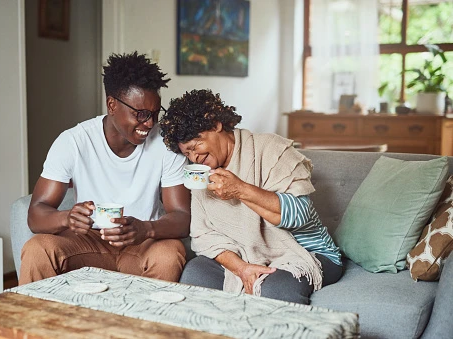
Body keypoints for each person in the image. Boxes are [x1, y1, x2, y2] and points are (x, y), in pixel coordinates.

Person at [19, 52, 191, 285]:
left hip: (143, 243)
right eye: (140, 114)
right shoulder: (74, 142)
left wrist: (146, 229)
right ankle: (36, 321)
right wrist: (67, 218)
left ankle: (144, 321)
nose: (149, 123)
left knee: (169, 253)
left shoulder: (165, 144)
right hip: (88, 242)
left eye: (154, 113)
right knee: (38, 249)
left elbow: (182, 217)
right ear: (112, 105)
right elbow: (35, 215)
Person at [159, 89, 342, 304]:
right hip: (244, 254)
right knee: (195, 274)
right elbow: (202, 235)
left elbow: (300, 215)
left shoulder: (271, 149)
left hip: (306, 253)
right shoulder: (200, 173)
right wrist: (241, 268)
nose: (194, 157)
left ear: (216, 125)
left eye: (195, 146)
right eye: (187, 153)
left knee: (274, 289)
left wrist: (240, 190)